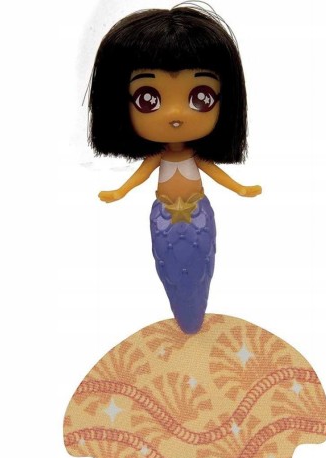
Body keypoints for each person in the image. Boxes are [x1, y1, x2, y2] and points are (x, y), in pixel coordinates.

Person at [88, 5, 261, 333]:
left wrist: (240, 188)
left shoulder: (195, 155)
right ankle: (186, 319)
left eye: (201, 97)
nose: (176, 114)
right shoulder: (159, 157)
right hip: (165, 217)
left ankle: (193, 319)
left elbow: (214, 172)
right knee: (172, 267)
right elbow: (141, 174)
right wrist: (120, 191)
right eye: (148, 99)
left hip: (198, 215)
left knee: (200, 265)